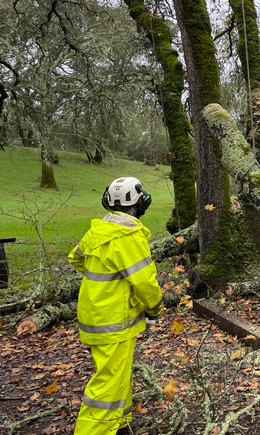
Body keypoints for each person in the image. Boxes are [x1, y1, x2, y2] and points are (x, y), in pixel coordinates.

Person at [68, 177, 164, 434]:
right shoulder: (129, 237)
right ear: (141, 204)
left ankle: (120, 424)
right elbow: (144, 282)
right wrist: (155, 308)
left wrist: (105, 284)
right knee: (108, 383)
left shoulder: (98, 230)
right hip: (113, 320)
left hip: (94, 314)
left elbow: (76, 258)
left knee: (119, 375)